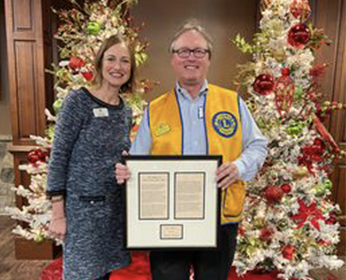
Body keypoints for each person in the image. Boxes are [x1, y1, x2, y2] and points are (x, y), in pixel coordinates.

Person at [115, 20, 268, 280]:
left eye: (199, 51)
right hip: (168, 222)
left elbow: (257, 145)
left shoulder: (232, 102)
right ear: (173, 59)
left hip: (220, 218)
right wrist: (128, 171)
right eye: (183, 51)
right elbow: (138, 161)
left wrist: (239, 167)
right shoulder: (155, 110)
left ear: (208, 59)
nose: (191, 58)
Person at [47, 34, 136, 280]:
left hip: (112, 212)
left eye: (125, 61)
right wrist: (58, 213)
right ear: (99, 63)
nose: (117, 67)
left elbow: (120, 154)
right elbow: (59, 157)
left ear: (131, 68)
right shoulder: (78, 101)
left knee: (104, 274)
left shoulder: (125, 110)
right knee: (81, 274)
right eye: (111, 59)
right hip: (82, 213)